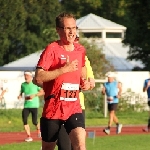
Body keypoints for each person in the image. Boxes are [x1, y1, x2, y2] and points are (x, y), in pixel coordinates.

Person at [34, 12, 91, 150]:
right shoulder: (52, 49)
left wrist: (85, 81)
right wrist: (63, 70)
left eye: (74, 28)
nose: (72, 32)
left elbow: (82, 69)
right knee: (48, 148)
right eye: (67, 28)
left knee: (80, 146)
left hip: (74, 107)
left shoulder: (80, 50)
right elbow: (38, 77)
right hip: (53, 108)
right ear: (58, 30)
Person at [57, 35, 95, 150]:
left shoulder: (84, 59)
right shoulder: (56, 54)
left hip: (78, 107)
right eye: (73, 39)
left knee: (79, 146)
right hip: (59, 107)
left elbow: (90, 83)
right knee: (64, 147)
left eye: (77, 39)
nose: (75, 41)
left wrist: (86, 84)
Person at [18, 71, 44, 142]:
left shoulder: (35, 84)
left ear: (30, 76)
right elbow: (21, 92)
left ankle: (39, 130)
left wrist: (34, 95)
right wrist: (20, 95)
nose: (25, 77)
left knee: (34, 121)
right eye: (25, 76)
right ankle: (29, 136)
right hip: (26, 105)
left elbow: (42, 92)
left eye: (27, 76)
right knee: (25, 120)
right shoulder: (23, 85)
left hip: (34, 105)